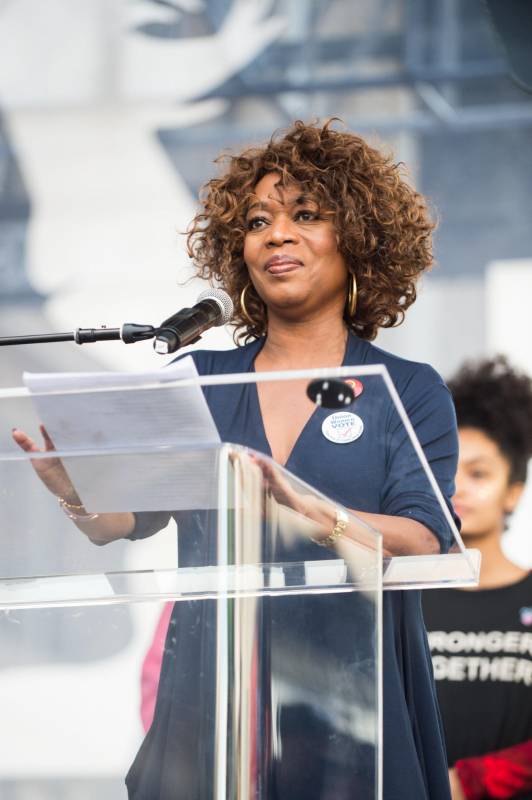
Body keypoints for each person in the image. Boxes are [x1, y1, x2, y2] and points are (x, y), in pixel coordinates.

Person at [13, 119, 459, 799]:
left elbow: (423, 538)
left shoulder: (405, 388)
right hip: (214, 703)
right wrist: (77, 490)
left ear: (359, 239)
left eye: (305, 215)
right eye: (257, 221)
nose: (276, 234)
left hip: (350, 705)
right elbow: (124, 521)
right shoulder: (202, 381)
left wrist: (309, 511)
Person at [423, 356, 532, 800]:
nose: (458, 488)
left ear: (513, 491)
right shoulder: (404, 598)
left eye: (479, 473)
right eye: (447, 471)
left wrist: (471, 782)